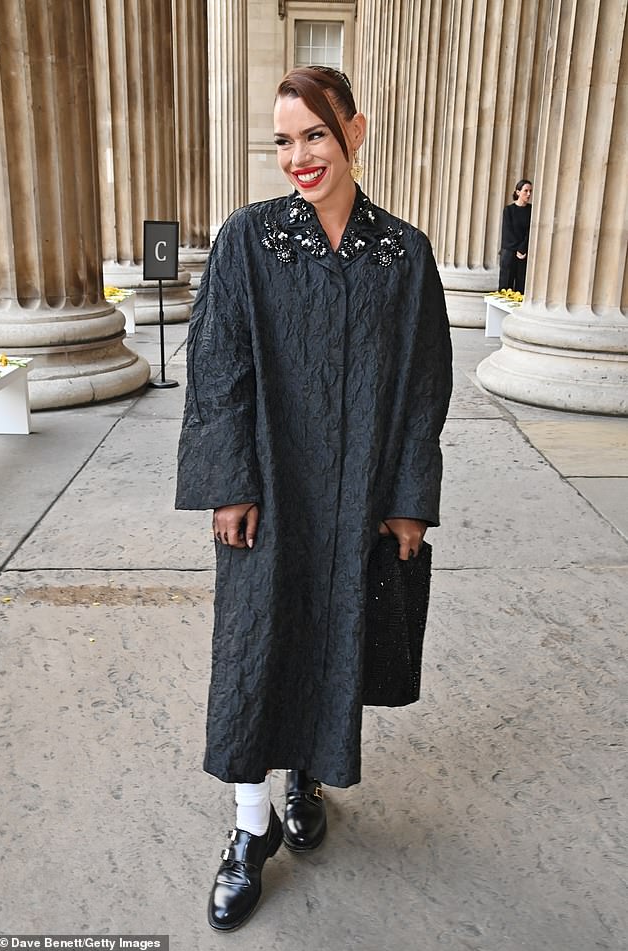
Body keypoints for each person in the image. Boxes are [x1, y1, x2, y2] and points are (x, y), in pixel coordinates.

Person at [175, 65, 453, 932]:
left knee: (336, 638)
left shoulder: (403, 253)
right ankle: (248, 829)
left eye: (316, 136)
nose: (298, 156)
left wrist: (409, 497)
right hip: (270, 494)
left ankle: (309, 780)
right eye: (284, 140)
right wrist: (228, 481)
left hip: (361, 494)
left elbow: (422, 385)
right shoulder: (249, 241)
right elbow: (217, 365)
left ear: (355, 132)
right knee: (257, 649)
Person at [498, 179, 532, 292]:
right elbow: (508, 232)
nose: (528, 194)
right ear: (518, 192)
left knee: (521, 286)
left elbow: (530, 230)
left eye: (530, 191)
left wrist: (522, 249)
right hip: (509, 251)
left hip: (524, 253)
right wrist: (518, 248)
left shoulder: (531, 210)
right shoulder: (509, 210)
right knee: (505, 284)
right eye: (525, 191)